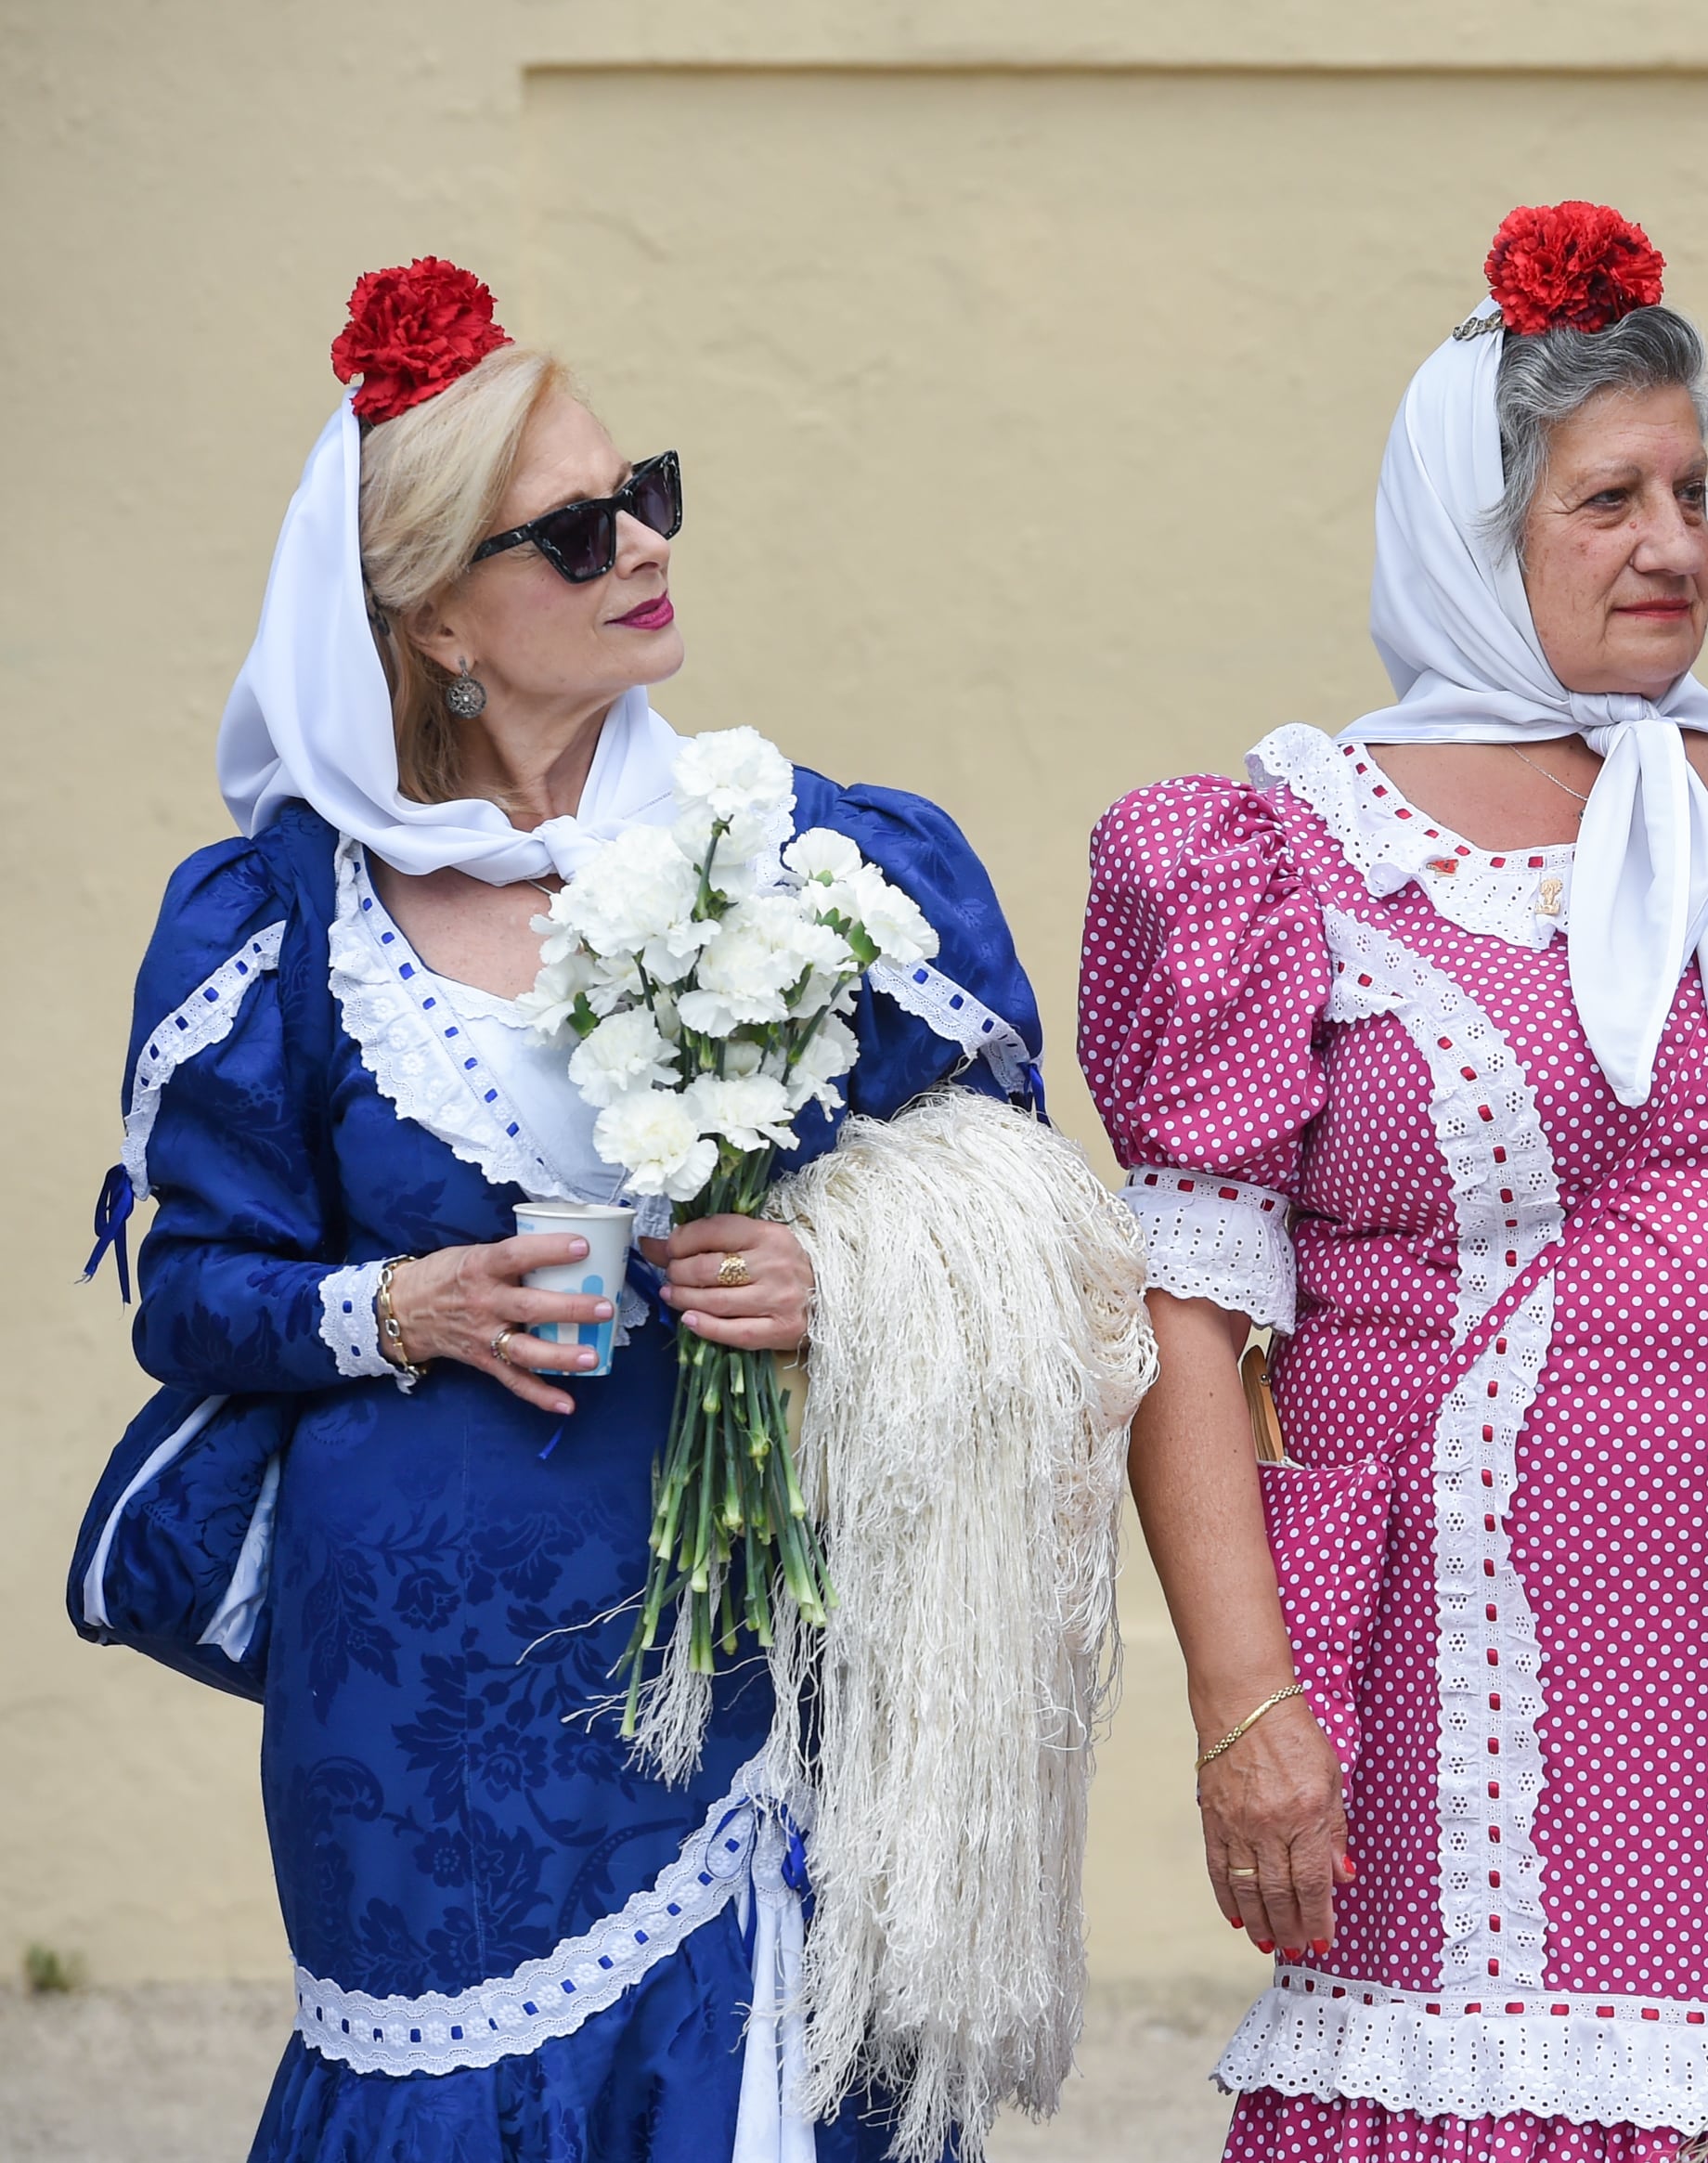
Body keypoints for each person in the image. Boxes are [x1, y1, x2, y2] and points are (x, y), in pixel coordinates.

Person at [68, 260, 1126, 2161]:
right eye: (571, 528)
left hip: (751, 1642)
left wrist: (848, 1271)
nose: (641, 539)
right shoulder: (283, 924)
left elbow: (1021, 1198)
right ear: (440, 620)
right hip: (415, 1706)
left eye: (645, 486)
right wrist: (403, 1306)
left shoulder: (814, 857)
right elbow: (194, 1292)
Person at [1078, 203, 1708, 2160]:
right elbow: (1182, 1309)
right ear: (1468, 529)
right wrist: (1242, 1704)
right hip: (1451, 1673)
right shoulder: (1281, 857)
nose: (1671, 542)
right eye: (1604, 500)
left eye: (1689, 487)